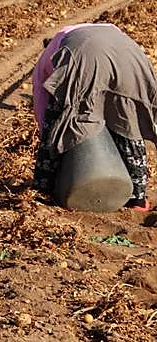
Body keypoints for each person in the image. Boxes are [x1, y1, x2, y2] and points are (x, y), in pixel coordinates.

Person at [32, 23, 156, 211]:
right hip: (132, 59)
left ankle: (43, 190)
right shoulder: (107, 29)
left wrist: (49, 134)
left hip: (83, 59)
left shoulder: (50, 54)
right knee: (129, 123)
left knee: (56, 125)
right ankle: (137, 199)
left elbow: (41, 101)